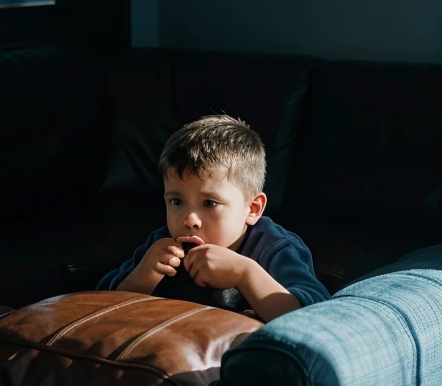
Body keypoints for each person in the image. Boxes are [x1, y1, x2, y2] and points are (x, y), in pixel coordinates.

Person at [97, 114, 330, 323]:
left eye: (210, 203)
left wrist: (245, 273)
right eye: (176, 202)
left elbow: (315, 317)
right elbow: (100, 303)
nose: (189, 220)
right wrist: (143, 276)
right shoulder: (162, 244)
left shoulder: (275, 248)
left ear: (252, 209)